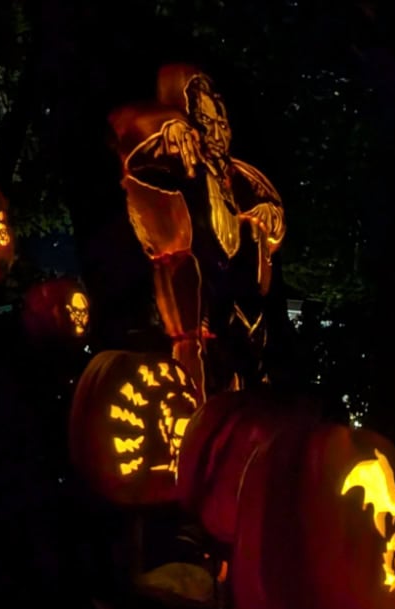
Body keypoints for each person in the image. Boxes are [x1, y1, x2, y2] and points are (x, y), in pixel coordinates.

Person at [121, 67, 285, 398]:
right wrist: (170, 133)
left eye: (220, 124)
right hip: (202, 287)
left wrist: (270, 213)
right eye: (205, 123)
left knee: (247, 361)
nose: (215, 133)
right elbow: (136, 159)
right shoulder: (187, 162)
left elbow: (272, 209)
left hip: (240, 293)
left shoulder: (241, 179)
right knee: (206, 370)